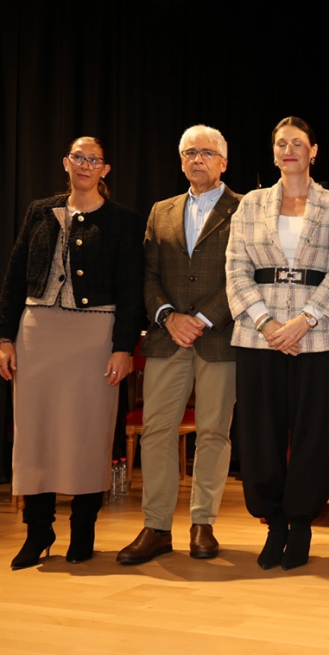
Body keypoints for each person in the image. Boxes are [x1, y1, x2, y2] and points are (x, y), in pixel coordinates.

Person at [0, 136, 143, 569]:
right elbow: (14, 276)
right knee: (34, 434)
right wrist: (3, 338)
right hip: (37, 333)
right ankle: (38, 531)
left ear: (105, 170)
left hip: (95, 336)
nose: (85, 165)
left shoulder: (122, 222)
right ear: (66, 162)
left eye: (94, 160)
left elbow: (131, 292)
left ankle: (83, 530)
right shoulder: (39, 211)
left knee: (88, 435)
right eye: (79, 157)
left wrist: (123, 347)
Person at [225, 116, 329, 571]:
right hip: (260, 338)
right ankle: (273, 522)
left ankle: (301, 523)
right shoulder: (251, 204)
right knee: (260, 433)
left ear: (314, 151)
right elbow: (235, 268)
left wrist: (305, 320)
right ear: (273, 152)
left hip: (318, 333)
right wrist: (267, 324)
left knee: (315, 433)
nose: (289, 149)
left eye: (298, 143)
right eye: (281, 143)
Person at [116, 126, 241, 565]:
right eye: (189, 152)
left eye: (207, 153)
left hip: (220, 336)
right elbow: (146, 275)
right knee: (156, 431)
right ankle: (156, 527)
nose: (197, 160)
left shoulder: (243, 209)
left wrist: (203, 318)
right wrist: (169, 316)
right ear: (181, 159)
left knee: (213, 431)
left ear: (223, 162)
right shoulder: (160, 211)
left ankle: (203, 523)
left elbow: (242, 277)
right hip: (167, 338)